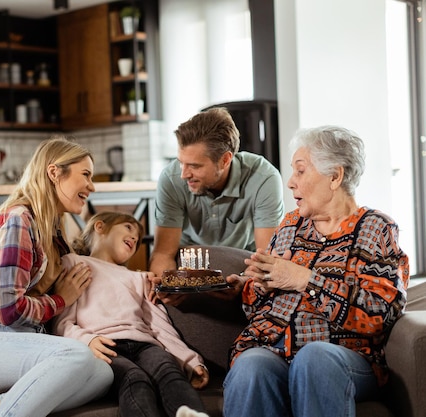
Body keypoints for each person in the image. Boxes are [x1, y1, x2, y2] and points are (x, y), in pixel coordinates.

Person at [219, 126, 410, 417]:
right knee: (251, 365)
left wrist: (304, 279)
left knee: (314, 358)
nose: (290, 183)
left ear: (335, 176)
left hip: (343, 357)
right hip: (276, 351)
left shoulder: (376, 228)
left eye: (300, 171)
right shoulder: (291, 225)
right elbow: (261, 300)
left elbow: (380, 313)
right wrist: (255, 287)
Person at [0, 137, 113, 417]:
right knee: (76, 355)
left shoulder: (51, 230)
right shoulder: (19, 220)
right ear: (54, 173)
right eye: (85, 175)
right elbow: (8, 310)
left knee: (102, 374)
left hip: (24, 346)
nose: (92, 186)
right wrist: (61, 300)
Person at [53, 211, 210, 417]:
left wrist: (190, 361)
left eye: (137, 238)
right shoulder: (75, 263)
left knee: (168, 370)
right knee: (135, 379)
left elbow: (160, 326)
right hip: (104, 347)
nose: (135, 237)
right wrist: (87, 340)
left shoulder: (138, 278)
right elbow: (61, 322)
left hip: (145, 345)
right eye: (128, 227)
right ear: (99, 227)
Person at [149, 107, 285, 281]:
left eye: (195, 166)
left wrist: (240, 284)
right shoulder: (171, 178)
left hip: (242, 270)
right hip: (188, 271)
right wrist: (167, 288)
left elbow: (267, 259)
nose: (184, 174)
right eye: (181, 163)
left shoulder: (264, 178)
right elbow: (163, 254)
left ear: (225, 160)